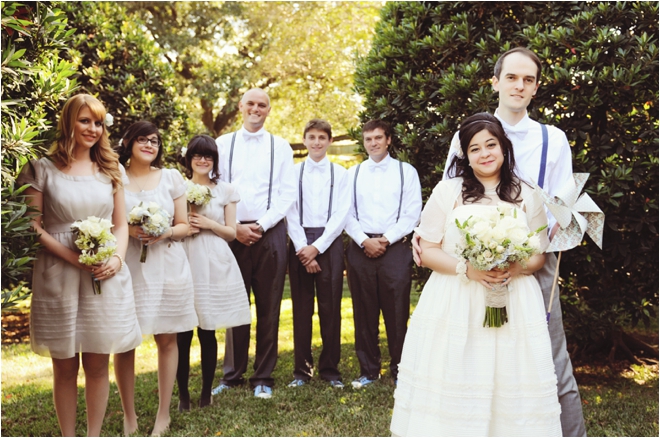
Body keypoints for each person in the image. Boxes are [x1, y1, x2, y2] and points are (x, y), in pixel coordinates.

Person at [413, 47, 585, 436]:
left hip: (532, 263)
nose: (519, 85)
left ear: (536, 88)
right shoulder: (469, 134)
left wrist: (534, 247)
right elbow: (447, 197)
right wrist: (425, 240)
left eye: (528, 79)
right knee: (472, 360)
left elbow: (566, 203)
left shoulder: (552, 138)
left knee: (549, 362)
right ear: (496, 81)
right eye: (511, 77)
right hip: (469, 270)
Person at [391, 112, 561, 436]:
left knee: (510, 376)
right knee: (460, 372)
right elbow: (426, 251)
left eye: (491, 145)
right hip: (457, 297)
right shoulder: (448, 191)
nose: (484, 154)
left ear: (504, 147)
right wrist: (469, 268)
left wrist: (513, 266)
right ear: (465, 156)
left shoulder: (528, 193)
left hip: (513, 299)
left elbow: (539, 255)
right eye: (475, 148)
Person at [18, 94, 142, 436]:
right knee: (65, 364)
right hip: (58, 272)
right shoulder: (40, 167)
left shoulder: (111, 169)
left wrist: (116, 259)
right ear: (68, 121)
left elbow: (120, 225)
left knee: (98, 360)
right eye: (85, 120)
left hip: (104, 273)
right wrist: (75, 258)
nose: (92, 129)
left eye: (98, 122)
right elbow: (34, 225)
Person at [114, 121, 198, 437]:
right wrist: (129, 231)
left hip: (169, 267)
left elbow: (184, 225)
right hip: (130, 266)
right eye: (143, 140)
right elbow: (110, 222)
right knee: (125, 341)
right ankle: (129, 415)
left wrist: (163, 232)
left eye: (155, 141)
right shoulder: (115, 176)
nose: (150, 145)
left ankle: (163, 414)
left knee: (167, 338)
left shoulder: (172, 178)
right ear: (128, 142)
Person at [213, 88, 297, 399]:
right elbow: (214, 188)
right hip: (232, 231)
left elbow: (287, 194)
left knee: (269, 305)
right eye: (251, 103)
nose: (256, 109)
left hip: (269, 231)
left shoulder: (281, 147)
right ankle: (232, 375)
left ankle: (263, 376)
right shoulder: (223, 144)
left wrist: (261, 225)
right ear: (240, 107)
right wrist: (234, 227)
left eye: (262, 105)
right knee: (236, 303)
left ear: (269, 110)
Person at [344, 120, 422, 388]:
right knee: (363, 311)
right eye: (368, 139)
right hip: (360, 246)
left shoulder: (406, 172)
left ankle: (401, 370)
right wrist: (365, 240)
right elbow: (346, 213)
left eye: (378, 138)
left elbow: (412, 213)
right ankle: (368, 370)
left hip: (395, 248)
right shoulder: (352, 174)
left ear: (388, 140)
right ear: (363, 142)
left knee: (397, 311)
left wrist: (385, 240)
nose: (373, 143)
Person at [176, 135, 252, 410]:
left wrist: (208, 223)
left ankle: (206, 392)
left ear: (214, 160)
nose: (203, 160)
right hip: (184, 256)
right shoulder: (178, 187)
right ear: (189, 158)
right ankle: (183, 395)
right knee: (182, 332)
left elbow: (232, 233)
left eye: (208, 156)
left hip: (212, 259)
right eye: (198, 155)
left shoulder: (226, 190)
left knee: (207, 330)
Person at [285, 119, 350, 389]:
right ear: (305, 140)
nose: (316, 142)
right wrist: (303, 249)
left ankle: (330, 369)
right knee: (301, 308)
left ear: (330, 141)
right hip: (299, 240)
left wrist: (317, 248)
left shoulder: (340, 173)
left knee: (330, 307)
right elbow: (289, 211)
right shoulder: (292, 173)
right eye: (311, 137)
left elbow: (342, 213)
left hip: (329, 241)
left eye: (322, 137)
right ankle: (302, 370)